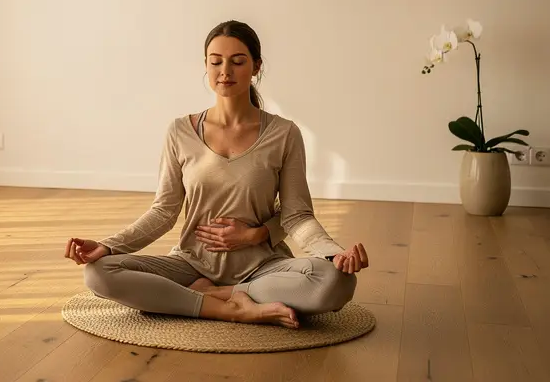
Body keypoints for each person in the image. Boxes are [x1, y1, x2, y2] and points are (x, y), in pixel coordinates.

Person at [64, 20, 368, 329]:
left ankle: (219, 294)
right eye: (216, 61)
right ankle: (233, 310)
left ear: (256, 67)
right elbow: (164, 211)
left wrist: (331, 253)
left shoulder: (284, 133)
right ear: (206, 66)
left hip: (262, 267)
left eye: (238, 61)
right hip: (191, 265)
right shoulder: (180, 131)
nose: (225, 71)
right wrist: (109, 246)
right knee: (98, 273)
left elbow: (297, 214)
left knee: (338, 281)